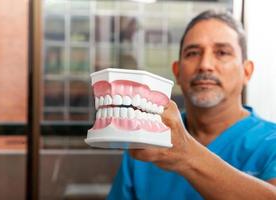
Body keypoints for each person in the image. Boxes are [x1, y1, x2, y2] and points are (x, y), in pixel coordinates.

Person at [107, 10, 276, 200]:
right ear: (177, 72)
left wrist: (186, 154)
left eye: (222, 52)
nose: (205, 64)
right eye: (193, 53)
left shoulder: (271, 144)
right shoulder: (145, 145)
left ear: (247, 71)